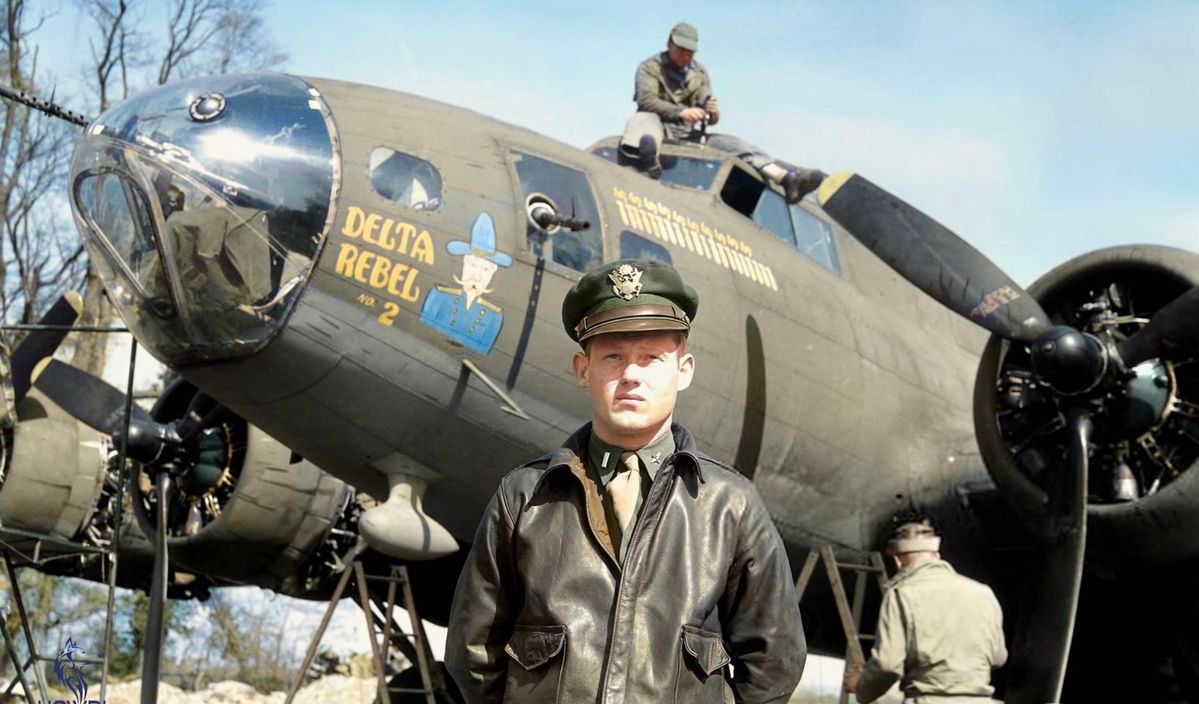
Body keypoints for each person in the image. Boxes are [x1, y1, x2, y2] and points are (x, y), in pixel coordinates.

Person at [446, 258, 805, 703]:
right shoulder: (525, 496)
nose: (631, 375)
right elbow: (473, 653)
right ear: (583, 369)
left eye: (652, 358)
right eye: (613, 356)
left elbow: (774, 661)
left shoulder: (730, 505)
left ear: (685, 370)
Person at [620, 22, 826, 203]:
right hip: (658, 125)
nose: (685, 56)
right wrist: (681, 112)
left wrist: (711, 112)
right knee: (643, 121)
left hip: (688, 135)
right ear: (669, 45)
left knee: (735, 145)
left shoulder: (699, 73)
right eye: (681, 50)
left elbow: (707, 110)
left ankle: (786, 178)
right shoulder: (649, 67)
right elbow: (646, 101)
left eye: (690, 52)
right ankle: (648, 159)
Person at [847, 519, 1008, 703]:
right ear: (936, 554)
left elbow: (887, 664)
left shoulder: (901, 594)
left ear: (898, 560)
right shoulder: (983, 593)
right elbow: (998, 657)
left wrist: (862, 688)